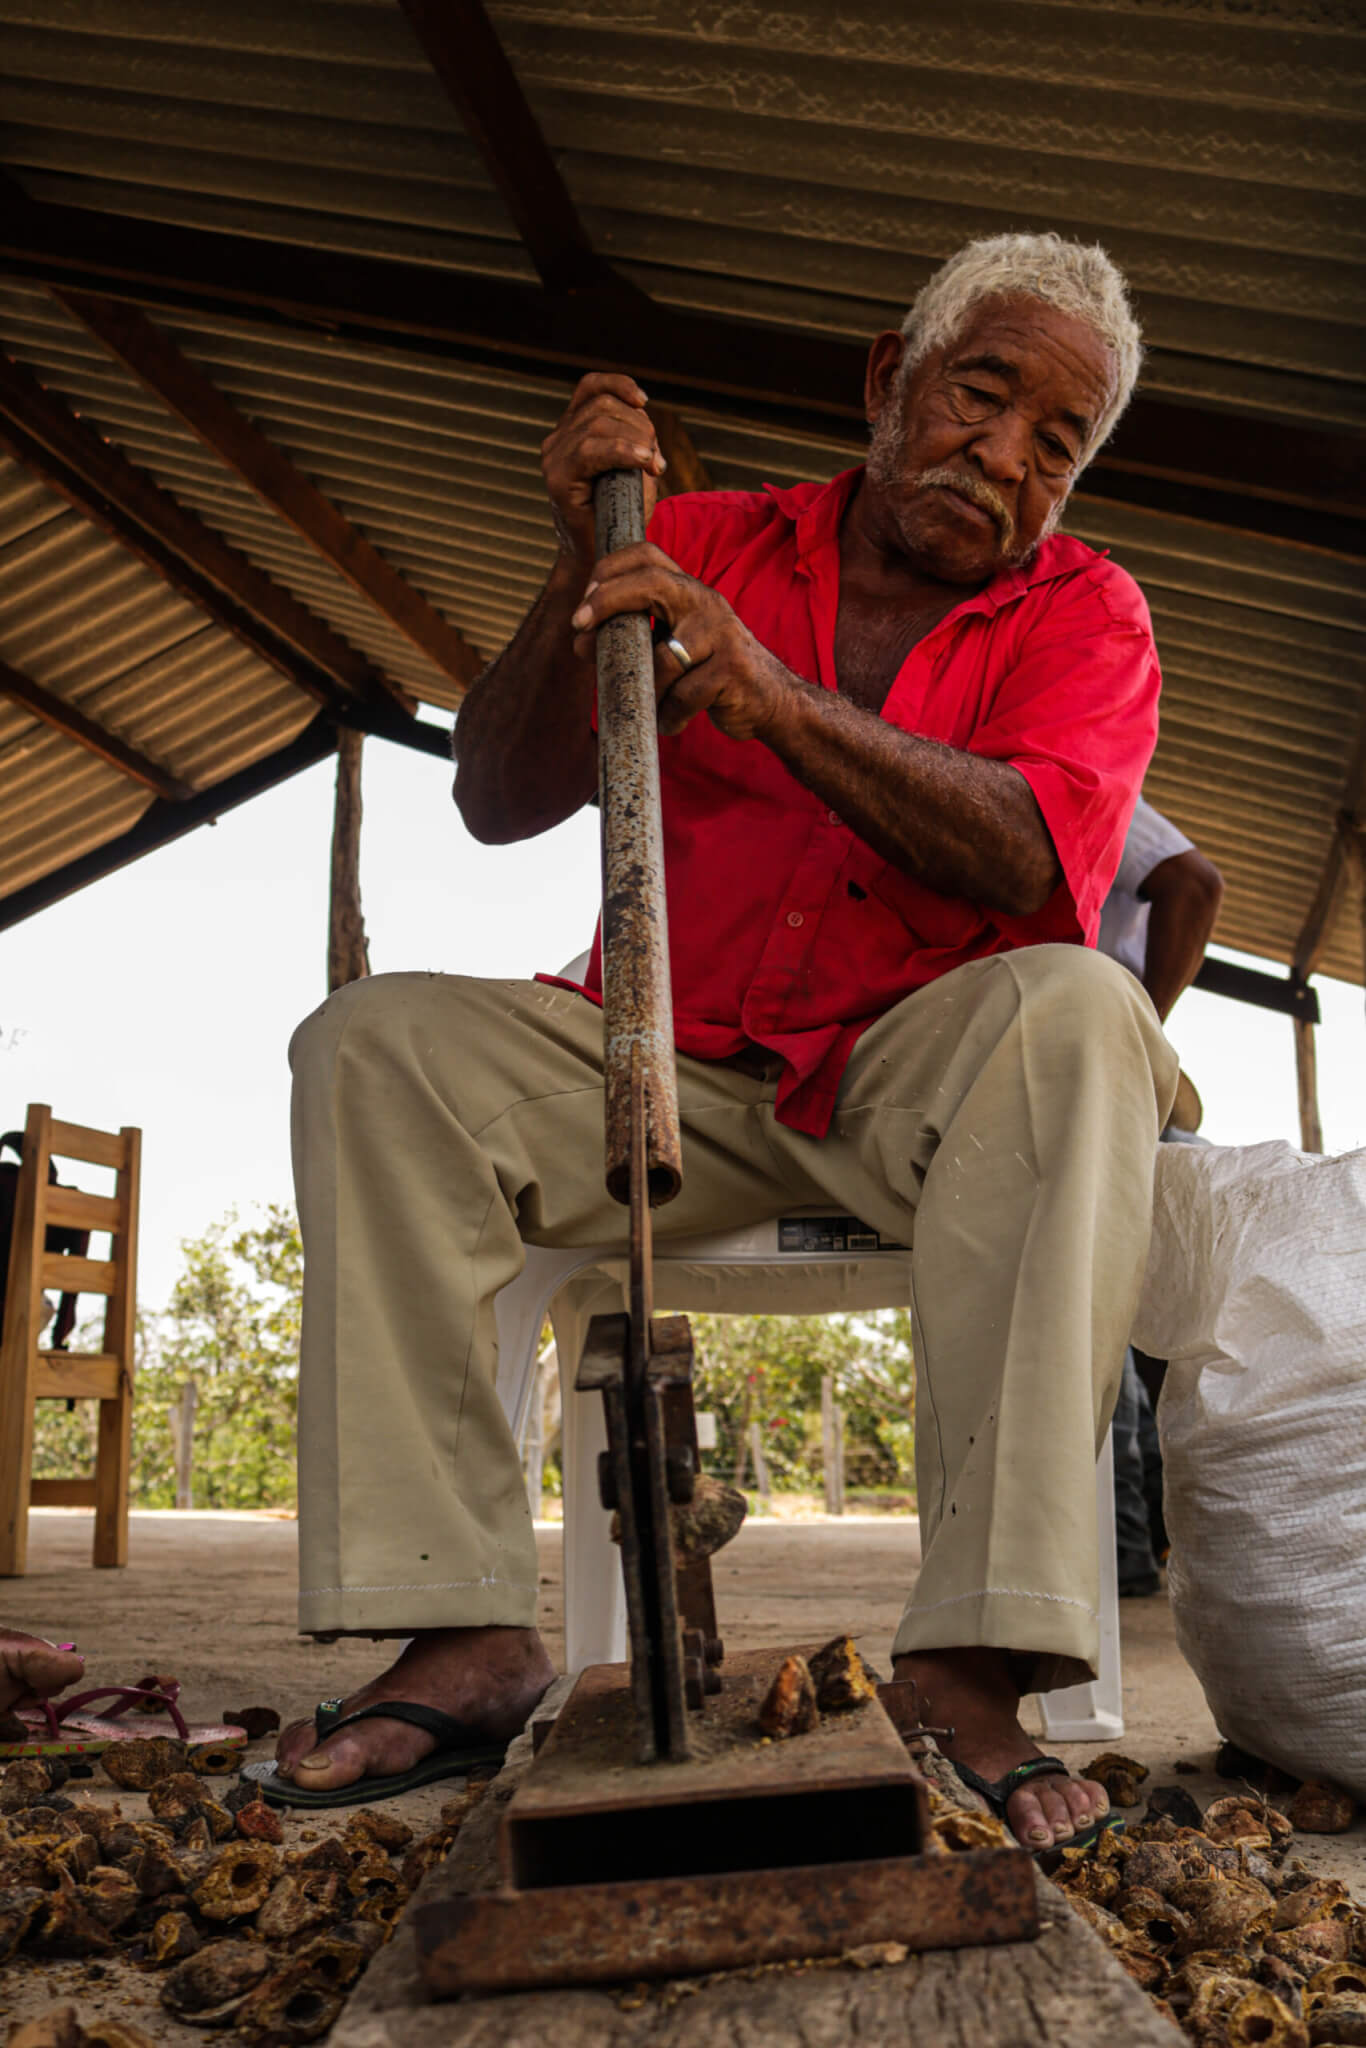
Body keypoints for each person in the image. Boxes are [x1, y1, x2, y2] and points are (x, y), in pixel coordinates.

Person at [273, 233, 1179, 1856]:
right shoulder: (688, 541)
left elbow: (1034, 862)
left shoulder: (1087, 614)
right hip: (655, 1058)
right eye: (980, 396)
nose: (1004, 456)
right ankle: (462, 1631)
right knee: (373, 1042)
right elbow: (497, 798)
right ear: (887, 379)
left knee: (1079, 1009)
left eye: (1057, 442)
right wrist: (577, 557)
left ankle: (973, 1660)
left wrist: (773, 697)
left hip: (914, 1084)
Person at [1096, 797, 1224, 1594]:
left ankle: (1126, 1555)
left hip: (1100, 1086)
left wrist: (1138, 1030)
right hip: (1108, 1097)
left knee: (1093, 1331)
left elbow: (1195, 883)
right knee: (1138, 1342)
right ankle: (1142, 1551)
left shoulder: (1079, 782)